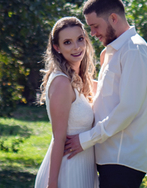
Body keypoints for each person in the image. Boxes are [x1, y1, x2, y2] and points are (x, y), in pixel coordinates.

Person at [63, 0, 147, 188]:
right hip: (109, 158)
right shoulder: (115, 51)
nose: (93, 33)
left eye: (95, 26)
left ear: (113, 18)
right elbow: (107, 96)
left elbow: (128, 109)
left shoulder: (134, 50)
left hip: (122, 159)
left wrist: (86, 139)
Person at [35, 17, 99, 188]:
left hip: (83, 168)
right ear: (57, 48)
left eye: (80, 39)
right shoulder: (62, 83)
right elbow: (58, 138)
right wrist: (52, 183)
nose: (77, 47)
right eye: (67, 42)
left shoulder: (80, 80)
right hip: (67, 171)